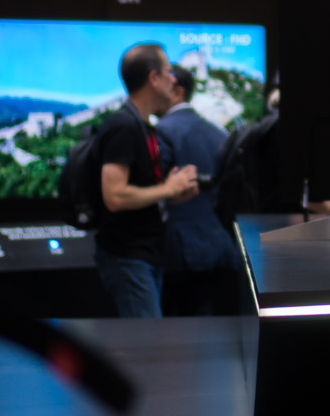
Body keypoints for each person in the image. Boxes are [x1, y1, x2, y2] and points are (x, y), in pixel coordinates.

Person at [94, 44, 199, 317]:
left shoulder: (143, 124)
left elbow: (139, 190)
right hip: (128, 255)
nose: (173, 79)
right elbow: (115, 196)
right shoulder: (123, 125)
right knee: (148, 338)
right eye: (168, 72)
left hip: (145, 253)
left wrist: (173, 192)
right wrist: (167, 188)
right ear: (153, 78)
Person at [156, 65, 244, 314]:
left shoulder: (162, 131)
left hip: (181, 252)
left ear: (177, 91)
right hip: (223, 246)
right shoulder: (219, 132)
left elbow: (160, 190)